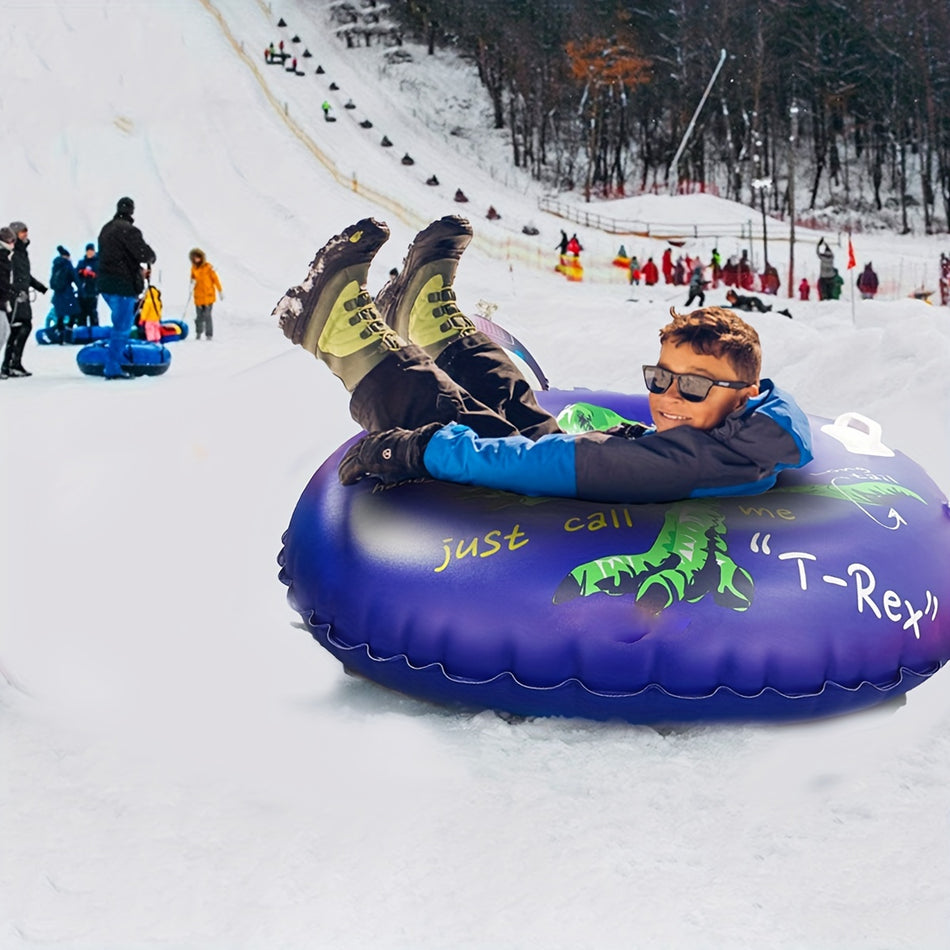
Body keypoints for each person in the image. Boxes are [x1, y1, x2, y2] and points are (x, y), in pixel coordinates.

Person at [273, 216, 812, 504]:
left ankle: (336, 334)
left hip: (564, 492)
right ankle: (425, 324)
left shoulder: (681, 463)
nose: (669, 397)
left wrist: (419, 451)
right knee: (514, 400)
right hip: (592, 457)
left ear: (741, 393)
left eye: (692, 387)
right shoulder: (750, 429)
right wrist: (630, 432)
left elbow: (539, 466)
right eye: (660, 377)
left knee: (455, 421)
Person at [97, 197, 156, 379]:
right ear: (131, 211)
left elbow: (116, 258)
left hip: (106, 284)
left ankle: (115, 356)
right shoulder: (129, 231)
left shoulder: (106, 229)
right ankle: (113, 366)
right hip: (122, 286)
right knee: (122, 326)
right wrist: (150, 258)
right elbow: (143, 253)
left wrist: (138, 271)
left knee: (120, 323)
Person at [2, 221, 47, 379]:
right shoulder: (12, 252)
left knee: (23, 327)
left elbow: (24, 275)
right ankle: (8, 365)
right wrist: (13, 292)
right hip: (15, 296)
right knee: (16, 329)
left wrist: (39, 286)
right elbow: (9, 274)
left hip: (23, 295)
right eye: (22, 231)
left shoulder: (22, 252)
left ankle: (14, 364)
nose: (25, 234)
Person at [189, 247, 222, 341]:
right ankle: (198, 332)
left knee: (208, 316)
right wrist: (192, 283)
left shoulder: (208, 268)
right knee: (199, 317)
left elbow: (215, 279)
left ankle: (209, 334)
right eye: (194, 258)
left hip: (208, 297)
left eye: (198, 257)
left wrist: (220, 290)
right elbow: (192, 279)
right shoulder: (193, 269)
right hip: (198, 297)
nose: (196, 259)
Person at [49, 245, 79, 337]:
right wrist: (81, 291)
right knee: (74, 313)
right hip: (67, 294)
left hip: (57, 295)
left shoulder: (56, 265)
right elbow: (75, 278)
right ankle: (69, 333)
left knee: (60, 315)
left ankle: (60, 334)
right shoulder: (67, 265)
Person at [75, 243, 100, 327]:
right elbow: (75, 273)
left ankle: (95, 332)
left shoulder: (97, 263)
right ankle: (82, 334)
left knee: (92, 313)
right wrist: (81, 272)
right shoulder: (82, 262)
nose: (89, 253)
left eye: (91, 251)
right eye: (88, 251)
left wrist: (92, 275)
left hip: (93, 292)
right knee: (81, 315)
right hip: (82, 293)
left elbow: (100, 276)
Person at [0, 226, 15, 361]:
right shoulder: (2, 256)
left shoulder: (5, 257)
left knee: (5, 332)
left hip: (2, 301)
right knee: (2, 332)